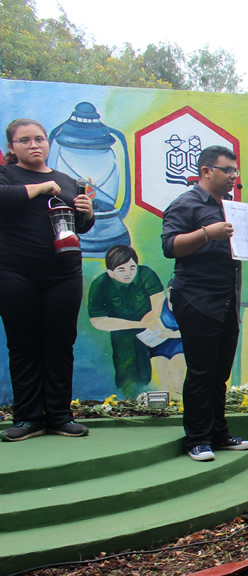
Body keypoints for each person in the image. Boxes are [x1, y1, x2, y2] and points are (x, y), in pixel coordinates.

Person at [162, 145, 248, 462]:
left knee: (220, 373)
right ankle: (197, 439)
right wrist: (206, 233)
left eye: (235, 171)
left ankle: (218, 433)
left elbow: (242, 247)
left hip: (227, 300)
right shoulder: (185, 204)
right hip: (196, 298)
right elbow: (170, 246)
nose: (233, 176)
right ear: (206, 171)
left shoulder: (231, 207)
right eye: (227, 170)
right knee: (202, 371)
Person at [0, 118, 95, 442]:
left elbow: (78, 227)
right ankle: (28, 418)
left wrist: (86, 211)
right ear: (11, 147)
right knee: (24, 346)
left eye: (39, 138)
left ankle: (58, 416)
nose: (34, 145)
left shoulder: (66, 181)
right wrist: (40, 188)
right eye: (24, 140)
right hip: (14, 273)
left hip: (64, 274)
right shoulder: (6, 176)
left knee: (59, 344)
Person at [88, 244, 181, 399]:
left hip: (153, 330)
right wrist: (140, 325)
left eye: (132, 267)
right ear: (111, 273)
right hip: (122, 334)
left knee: (156, 368)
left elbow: (158, 305)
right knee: (127, 371)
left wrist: (148, 325)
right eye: (121, 269)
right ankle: (130, 400)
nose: (128, 273)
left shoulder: (146, 274)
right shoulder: (100, 284)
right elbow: (98, 321)